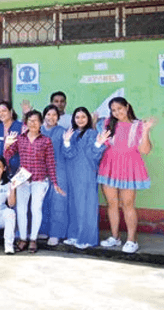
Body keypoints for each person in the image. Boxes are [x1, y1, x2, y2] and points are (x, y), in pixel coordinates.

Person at [97, 97, 156, 253]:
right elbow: (102, 143)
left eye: (120, 109)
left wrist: (146, 131)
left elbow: (145, 150)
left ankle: (132, 240)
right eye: (114, 110)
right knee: (112, 204)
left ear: (127, 106)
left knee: (128, 204)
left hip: (129, 168)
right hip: (109, 165)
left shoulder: (138, 125)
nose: (117, 113)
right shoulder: (108, 123)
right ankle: (115, 237)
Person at [4, 110, 65, 253]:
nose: (33, 123)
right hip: (22, 178)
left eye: (36, 121)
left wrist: (54, 182)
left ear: (41, 123)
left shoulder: (45, 140)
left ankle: (33, 239)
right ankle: (23, 238)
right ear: (26, 122)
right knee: (21, 209)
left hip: (40, 179)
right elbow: (7, 156)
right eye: (30, 120)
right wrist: (7, 145)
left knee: (36, 209)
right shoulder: (20, 139)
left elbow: (50, 163)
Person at [61, 107, 108, 249]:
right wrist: (67, 141)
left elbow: (94, 155)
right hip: (73, 174)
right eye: (77, 117)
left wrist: (99, 143)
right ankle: (74, 235)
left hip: (87, 173)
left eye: (83, 117)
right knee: (74, 205)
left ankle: (87, 238)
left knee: (86, 206)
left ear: (88, 119)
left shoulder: (93, 133)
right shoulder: (72, 133)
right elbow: (68, 154)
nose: (80, 120)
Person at [40, 104, 68, 246]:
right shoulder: (38, 130)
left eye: (54, 115)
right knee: (42, 200)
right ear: (44, 116)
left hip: (59, 169)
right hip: (41, 170)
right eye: (48, 114)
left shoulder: (63, 132)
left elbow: (68, 151)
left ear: (59, 117)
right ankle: (43, 229)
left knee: (58, 202)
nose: (51, 118)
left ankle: (56, 233)